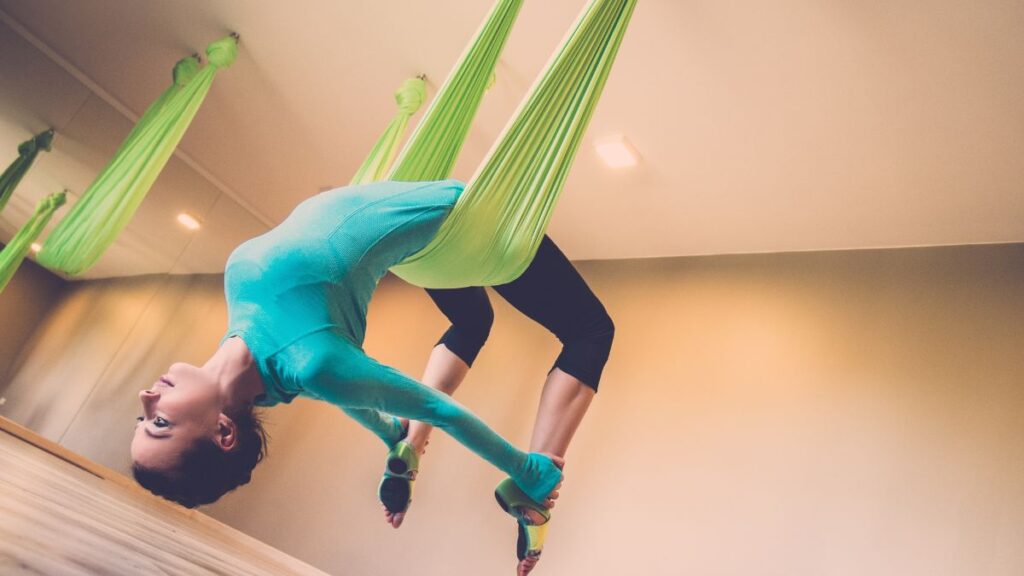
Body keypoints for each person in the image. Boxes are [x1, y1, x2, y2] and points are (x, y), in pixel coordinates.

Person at [130, 179, 565, 518]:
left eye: (141, 418)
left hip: (411, 215)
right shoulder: (313, 363)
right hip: (460, 216)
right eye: (161, 422)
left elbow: (341, 397)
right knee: (591, 330)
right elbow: (437, 410)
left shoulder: (271, 362)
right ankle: (521, 484)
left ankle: (402, 448)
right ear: (224, 432)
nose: (147, 397)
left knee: (474, 321)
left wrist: (392, 436)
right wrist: (527, 470)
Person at [378, 235, 614, 575]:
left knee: (472, 322)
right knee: (592, 331)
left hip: (418, 244)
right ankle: (534, 487)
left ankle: (412, 443)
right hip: (488, 228)